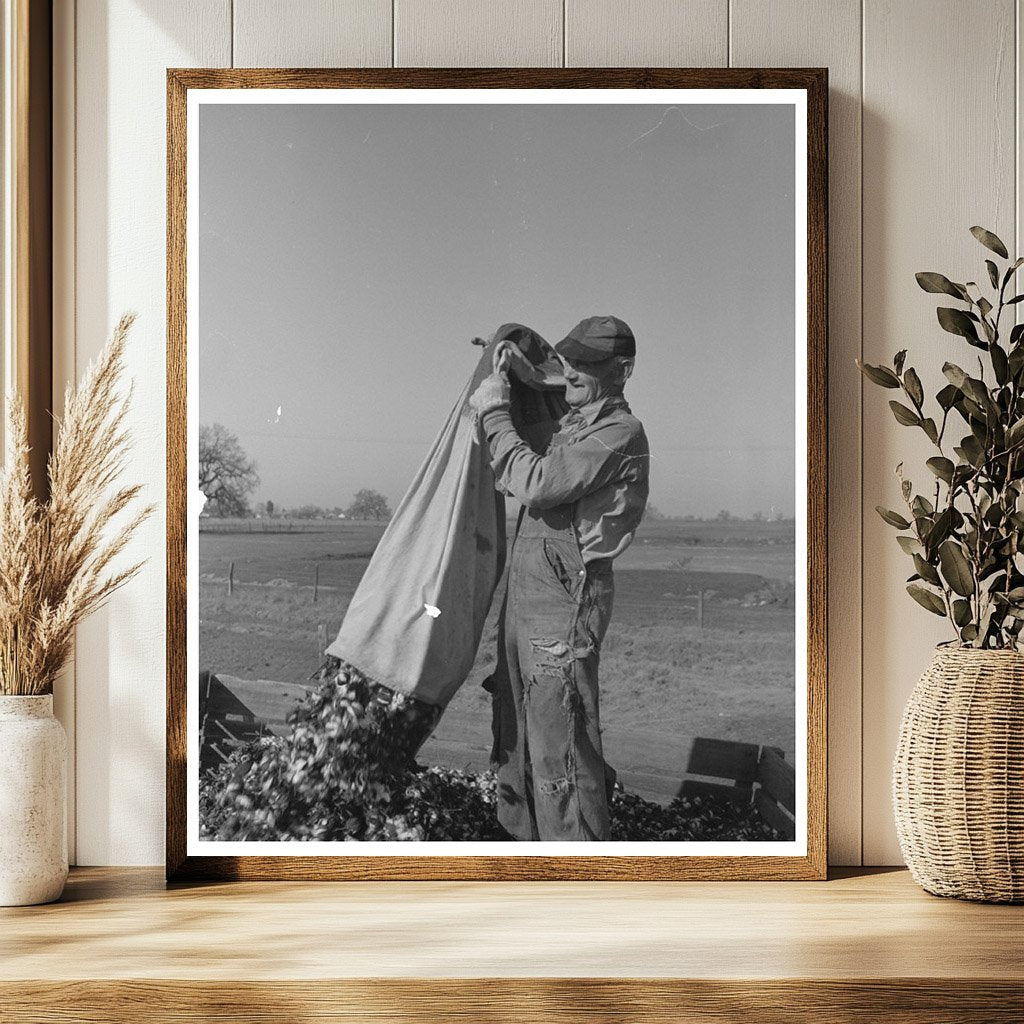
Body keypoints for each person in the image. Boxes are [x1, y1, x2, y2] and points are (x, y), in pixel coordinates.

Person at [468, 315, 650, 841]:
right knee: (517, 717)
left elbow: (540, 481)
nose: (571, 374)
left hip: (566, 600)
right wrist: (513, 366)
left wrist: (496, 412)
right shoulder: (573, 422)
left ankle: (578, 862)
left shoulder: (619, 433)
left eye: (586, 367)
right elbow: (546, 398)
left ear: (623, 370)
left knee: (561, 739)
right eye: (570, 360)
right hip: (528, 591)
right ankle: (523, 844)